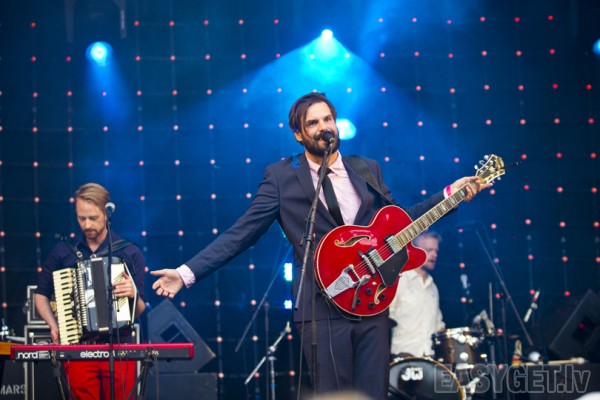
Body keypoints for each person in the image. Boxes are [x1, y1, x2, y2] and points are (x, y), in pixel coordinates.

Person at [151, 92, 490, 399]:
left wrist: (450, 194)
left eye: (327, 119)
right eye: (313, 123)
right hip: (321, 306)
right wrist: (186, 273)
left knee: (373, 394)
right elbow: (242, 232)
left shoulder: (366, 169)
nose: (323, 127)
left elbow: (399, 222)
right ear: (298, 134)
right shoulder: (282, 176)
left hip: (371, 300)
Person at [34, 183, 146, 400]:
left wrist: (133, 293)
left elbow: (139, 310)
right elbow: (41, 294)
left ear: (106, 213)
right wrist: (54, 325)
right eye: (81, 218)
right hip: (79, 347)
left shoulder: (128, 252)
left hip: (120, 346)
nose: (86, 225)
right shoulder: (63, 251)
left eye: (93, 218)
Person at [389, 231, 445, 358]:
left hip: (430, 357)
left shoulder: (433, 287)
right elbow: (386, 320)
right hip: (403, 357)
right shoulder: (399, 281)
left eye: (436, 251)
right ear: (415, 251)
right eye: (429, 250)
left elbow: (438, 325)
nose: (434, 255)